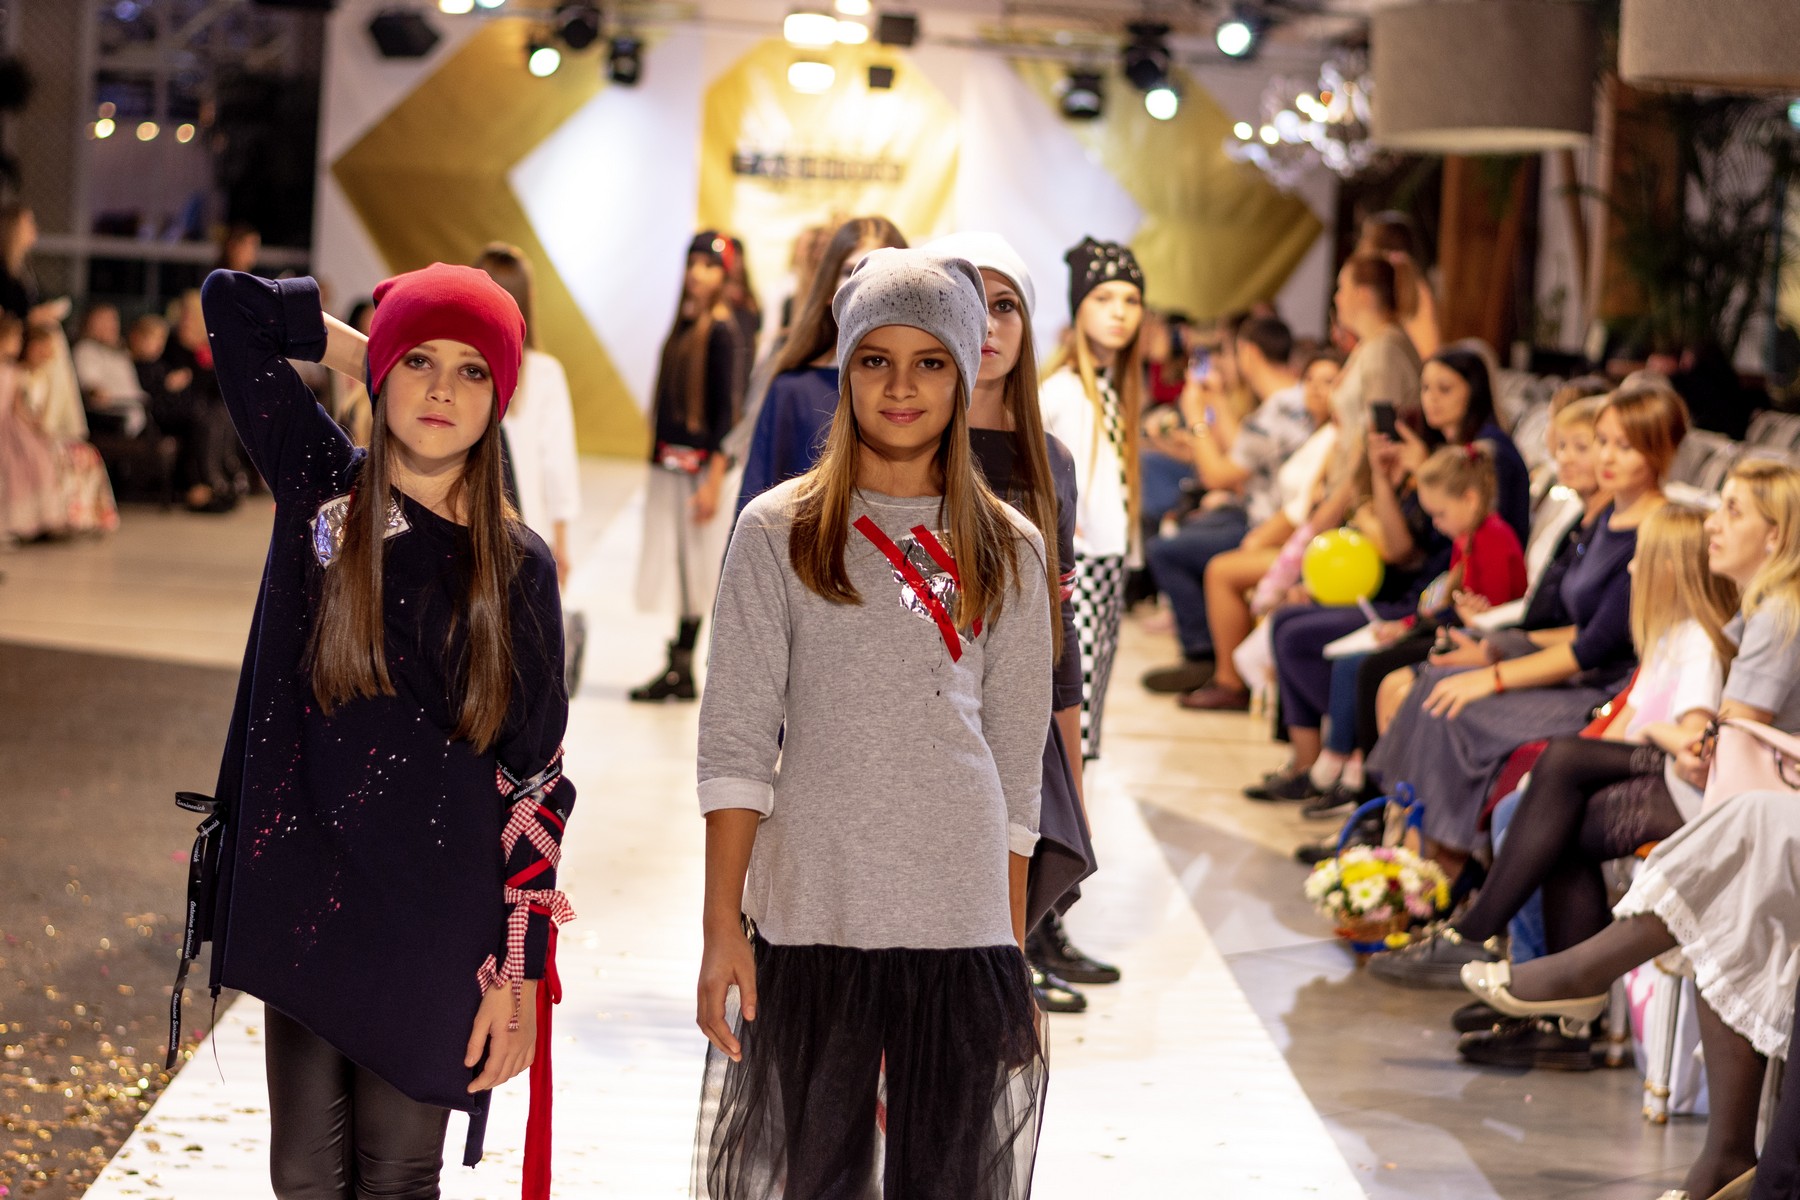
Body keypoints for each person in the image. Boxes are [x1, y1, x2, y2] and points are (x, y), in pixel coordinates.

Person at [191, 265, 577, 1198]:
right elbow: (230, 308)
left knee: (398, 1176)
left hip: (440, 918)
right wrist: (373, 351)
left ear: (502, 397)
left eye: (473, 371)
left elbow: (536, 779)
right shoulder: (323, 488)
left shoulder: (516, 566)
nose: (442, 389)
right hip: (309, 890)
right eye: (420, 363)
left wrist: (518, 971)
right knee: (303, 1177)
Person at [694, 249, 1051, 1198]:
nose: (901, 387)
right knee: (817, 1178)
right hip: (813, 914)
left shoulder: (1009, 547)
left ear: (965, 372)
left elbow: (1017, 771)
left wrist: (1010, 953)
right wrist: (721, 928)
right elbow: (735, 744)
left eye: (930, 361)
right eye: (875, 360)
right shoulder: (777, 531)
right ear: (844, 369)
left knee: (946, 1179)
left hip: (962, 925)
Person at [1462, 464, 1800, 1200]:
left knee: (1579, 796)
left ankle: (1561, 974)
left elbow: (1741, 739)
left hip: (1748, 805)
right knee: (1562, 795)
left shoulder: (1779, 611)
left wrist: (1683, 736)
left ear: (1775, 536)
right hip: (1742, 800)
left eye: (1732, 511)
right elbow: (1721, 733)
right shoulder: (1764, 607)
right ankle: (1565, 980)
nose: (1713, 524)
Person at [1371, 502, 1737, 1003]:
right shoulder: (1668, 636)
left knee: (1558, 772)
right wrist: (1548, 784)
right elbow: (1622, 725)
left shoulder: (1697, 643)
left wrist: (1630, 741)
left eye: (1642, 560)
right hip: (1644, 768)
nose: (1631, 569)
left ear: (1669, 571)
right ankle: (1532, 978)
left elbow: (1691, 740)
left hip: (1675, 781)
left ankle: (1495, 950)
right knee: (1523, 802)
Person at [1365, 384, 1689, 868]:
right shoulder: (1609, 516)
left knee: (1452, 704)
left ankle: (1439, 864)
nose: (1606, 457)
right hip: (1579, 672)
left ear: (1659, 451)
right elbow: (1575, 628)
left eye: (1625, 446)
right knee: (1438, 683)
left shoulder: (1656, 530)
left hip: (1607, 691)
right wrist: (1498, 652)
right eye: (1602, 441)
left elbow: (1594, 648)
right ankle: (1419, 857)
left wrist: (1493, 677)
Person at [925, 230, 1098, 1015]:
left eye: (1005, 306)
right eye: (970, 303)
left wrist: (1074, 774)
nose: (988, 325)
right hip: (920, 716)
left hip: (1019, 722)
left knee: (999, 926)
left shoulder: (1049, 460)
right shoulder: (906, 441)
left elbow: (1059, 632)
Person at [1142, 316, 1316, 695]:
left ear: (1247, 354)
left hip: (1268, 524)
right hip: (1264, 513)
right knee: (1189, 527)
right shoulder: (1291, 402)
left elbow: (1219, 475)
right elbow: (1244, 453)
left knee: (1166, 549)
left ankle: (1204, 656)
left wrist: (1196, 419)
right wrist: (1217, 401)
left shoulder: (1276, 411)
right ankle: (1208, 653)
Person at [1039, 236, 1146, 762]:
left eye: (1131, 300)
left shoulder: (1113, 389)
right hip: (1075, 564)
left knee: (1089, 691)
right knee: (1067, 702)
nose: (1119, 313)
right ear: (1078, 307)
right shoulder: (1061, 390)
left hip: (1107, 557)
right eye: (1103, 299)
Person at [632, 232, 750, 702]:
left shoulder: (723, 330)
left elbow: (727, 413)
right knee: (681, 568)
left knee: (697, 571)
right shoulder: (686, 321)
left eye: (709, 266)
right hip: (674, 466)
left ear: (725, 275)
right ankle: (679, 666)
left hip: (702, 472)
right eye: (693, 262)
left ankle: (687, 664)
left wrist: (714, 482)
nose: (698, 273)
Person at [730, 215, 907, 515]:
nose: (863, 285)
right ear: (828, 287)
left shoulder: (927, 390)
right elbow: (752, 514)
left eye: (881, 272)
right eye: (850, 271)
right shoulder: (792, 390)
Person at [473, 244, 581, 588]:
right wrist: (561, 543)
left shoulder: (464, 367)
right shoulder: (544, 372)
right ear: (527, 298)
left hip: (466, 525)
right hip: (527, 533)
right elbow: (557, 462)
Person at [20, 324, 118, 534]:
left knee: (84, 453)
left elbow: (48, 412)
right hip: (23, 433)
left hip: (43, 431)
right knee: (56, 455)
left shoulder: (45, 376)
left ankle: (83, 517)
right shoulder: (20, 375)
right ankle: (49, 517)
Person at [0, 313, 64, 541]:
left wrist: (35, 425)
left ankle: (33, 522)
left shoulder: (14, 372)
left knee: (37, 456)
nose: (18, 344)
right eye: (14, 339)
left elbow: (18, 407)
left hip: (11, 425)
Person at [1357, 211, 1440, 359]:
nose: (1360, 246)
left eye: (1365, 239)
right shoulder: (1404, 281)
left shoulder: (1403, 282)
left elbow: (1425, 346)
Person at [72, 303, 149, 437]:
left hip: (138, 417)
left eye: (113, 321)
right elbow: (90, 384)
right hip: (112, 419)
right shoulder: (86, 350)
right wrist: (96, 392)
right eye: (105, 321)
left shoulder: (120, 354)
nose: (111, 326)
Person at [0, 205, 71, 329]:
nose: (35, 228)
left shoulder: (25, 268)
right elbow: (10, 314)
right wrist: (31, 318)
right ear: (13, 229)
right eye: (29, 223)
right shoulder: (3, 269)